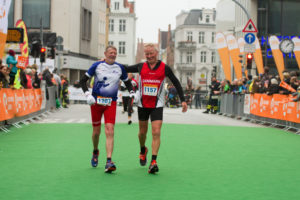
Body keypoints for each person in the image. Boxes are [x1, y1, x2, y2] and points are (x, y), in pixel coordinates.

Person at [125, 43, 187, 174]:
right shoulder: (141, 66)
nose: (149, 56)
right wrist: (108, 62)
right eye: (146, 54)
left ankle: (153, 161)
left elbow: (176, 82)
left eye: (151, 53)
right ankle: (143, 150)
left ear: (156, 53)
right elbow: (125, 68)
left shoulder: (164, 68)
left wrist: (183, 100)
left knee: (156, 132)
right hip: (142, 104)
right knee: (142, 133)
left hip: (157, 105)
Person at [80, 46, 134, 173]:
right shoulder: (97, 65)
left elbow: (127, 82)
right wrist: (87, 94)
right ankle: (95, 151)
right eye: (111, 53)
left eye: (115, 53)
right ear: (105, 54)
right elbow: (83, 81)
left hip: (111, 103)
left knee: (110, 131)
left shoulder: (120, 67)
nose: (113, 55)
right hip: (96, 103)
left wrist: (132, 92)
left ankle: (109, 161)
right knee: (96, 132)